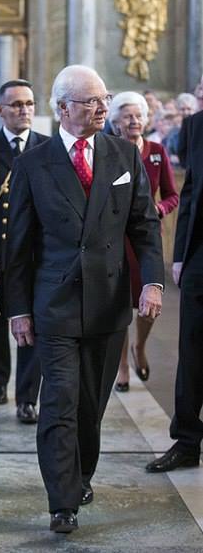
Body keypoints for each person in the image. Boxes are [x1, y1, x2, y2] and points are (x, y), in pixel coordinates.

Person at [5, 65, 164, 533]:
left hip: (108, 303)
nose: (102, 108)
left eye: (104, 99)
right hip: (53, 302)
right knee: (59, 402)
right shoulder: (33, 163)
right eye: (91, 101)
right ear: (62, 108)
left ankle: (81, 476)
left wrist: (151, 282)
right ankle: (62, 500)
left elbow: (144, 226)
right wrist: (18, 309)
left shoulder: (123, 154)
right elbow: (19, 246)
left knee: (90, 405)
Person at [0, 79, 48, 423]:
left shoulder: (47, 146)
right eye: (16, 104)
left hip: (35, 255)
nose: (24, 110)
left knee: (34, 326)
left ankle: (27, 397)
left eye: (28, 103)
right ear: (0, 110)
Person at [108, 92, 178, 392]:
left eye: (138, 116)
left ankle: (141, 346)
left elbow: (172, 195)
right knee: (121, 302)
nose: (134, 121)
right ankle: (123, 365)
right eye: (127, 116)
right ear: (116, 122)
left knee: (148, 300)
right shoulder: (110, 151)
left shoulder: (157, 151)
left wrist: (158, 209)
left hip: (147, 239)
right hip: (116, 238)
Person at [146, 108, 203, 474]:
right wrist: (180, 254)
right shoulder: (196, 125)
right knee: (192, 350)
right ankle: (186, 442)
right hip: (199, 257)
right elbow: (191, 190)